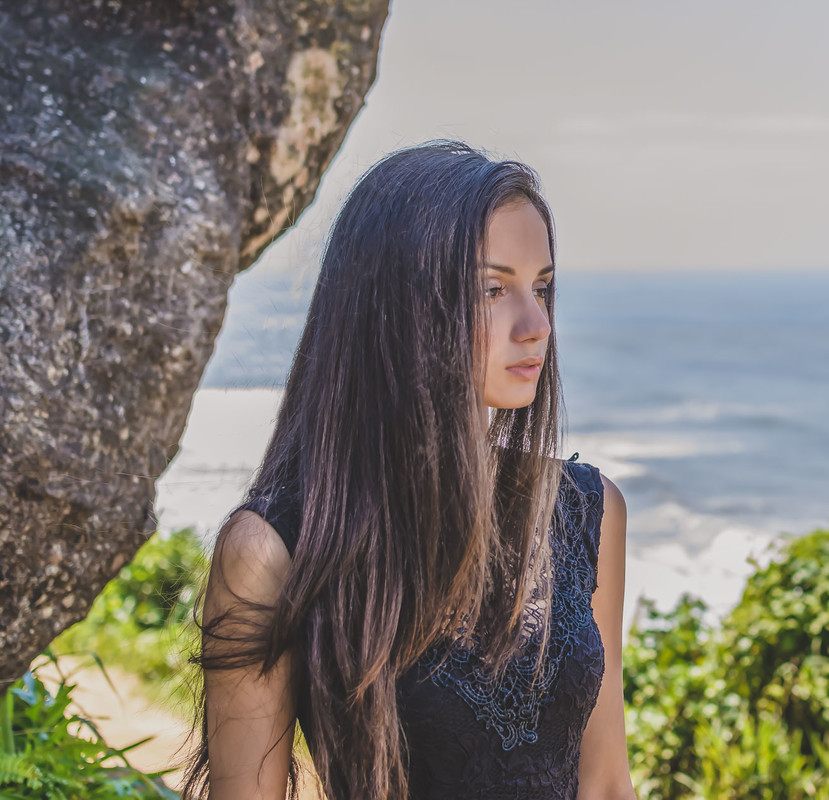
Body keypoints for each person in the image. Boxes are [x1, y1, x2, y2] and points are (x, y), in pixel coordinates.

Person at [178, 140, 637, 799]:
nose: (536, 324)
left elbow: (607, 783)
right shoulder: (273, 548)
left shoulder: (587, 511)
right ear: (401, 306)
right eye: (492, 288)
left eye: (542, 288)